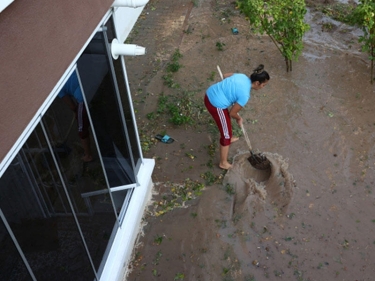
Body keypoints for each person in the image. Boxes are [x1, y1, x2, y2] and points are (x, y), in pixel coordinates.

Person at [204, 64, 270, 170]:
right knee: (225, 135)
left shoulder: (242, 76)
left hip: (210, 92)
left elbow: (225, 76)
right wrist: (239, 118)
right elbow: (232, 113)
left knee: (225, 122)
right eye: (264, 85)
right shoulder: (245, 95)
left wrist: (229, 90)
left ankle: (229, 137)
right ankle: (223, 163)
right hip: (215, 104)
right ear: (257, 83)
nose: (263, 87)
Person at [58, 72, 93, 162]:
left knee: (82, 130)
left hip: (83, 99)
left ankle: (88, 156)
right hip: (93, 87)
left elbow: (72, 106)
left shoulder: (58, 87)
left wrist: (76, 111)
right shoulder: (68, 68)